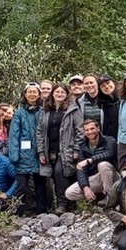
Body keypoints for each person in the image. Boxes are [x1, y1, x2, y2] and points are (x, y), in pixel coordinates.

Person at [39, 83, 83, 212]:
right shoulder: (46, 110)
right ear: (52, 93)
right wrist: (41, 151)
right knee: (53, 175)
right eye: (57, 92)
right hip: (49, 149)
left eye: (62, 92)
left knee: (60, 173)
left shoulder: (72, 109)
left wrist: (76, 149)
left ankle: (63, 204)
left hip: (66, 149)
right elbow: (39, 131)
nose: (59, 94)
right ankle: (65, 203)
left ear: (66, 94)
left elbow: (79, 130)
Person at [9, 83, 48, 216]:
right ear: (25, 95)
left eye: (34, 92)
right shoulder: (19, 113)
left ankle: (42, 210)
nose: (32, 94)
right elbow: (14, 135)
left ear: (39, 94)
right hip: (22, 154)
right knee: (21, 186)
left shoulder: (44, 111)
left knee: (40, 185)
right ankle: (20, 212)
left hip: (39, 153)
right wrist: (14, 155)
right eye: (29, 92)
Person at [65, 119, 119, 204]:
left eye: (92, 128)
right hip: (96, 178)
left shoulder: (109, 140)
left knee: (102, 165)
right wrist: (85, 187)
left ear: (98, 128)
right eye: (87, 130)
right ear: (84, 132)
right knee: (70, 193)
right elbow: (80, 168)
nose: (90, 132)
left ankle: (110, 199)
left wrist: (90, 160)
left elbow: (110, 154)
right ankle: (98, 198)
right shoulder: (83, 146)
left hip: (113, 176)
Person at [97, 74, 121, 141]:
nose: (106, 87)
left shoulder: (124, 100)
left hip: (123, 139)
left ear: (114, 83)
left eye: (108, 83)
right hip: (108, 140)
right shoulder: (102, 104)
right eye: (103, 86)